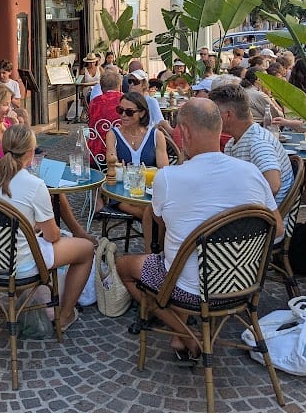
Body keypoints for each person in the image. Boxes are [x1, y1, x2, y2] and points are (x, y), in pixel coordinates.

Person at [116, 99, 281, 365]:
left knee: (125, 266)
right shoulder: (251, 172)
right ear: (219, 129)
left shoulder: (169, 177)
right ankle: (183, 333)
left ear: (186, 132)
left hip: (187, 289)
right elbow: (278, 227)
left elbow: (158, 220)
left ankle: (186, 333)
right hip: (243, 283)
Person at [0, 124, 94, 331]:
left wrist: (29, 227)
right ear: (31, 153)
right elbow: (52, 236)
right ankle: (64, 316)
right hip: (18, 265)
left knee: (33, 241)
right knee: (85, 249)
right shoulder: (34, 184)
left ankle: (38, 302)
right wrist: (37, 227)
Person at [0, 84, 96, 244]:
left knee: (55, 189)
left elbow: (27, 149)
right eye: (5, 104)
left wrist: (16, 126)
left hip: (14, 178)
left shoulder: (4, 126)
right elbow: (15, 154)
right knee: (47, 189)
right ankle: (56, 234)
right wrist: (17, 127)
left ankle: (69, 231)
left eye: (9, 104)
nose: (8, 109)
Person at [209, 83, 293, 209]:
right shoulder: (234, 142)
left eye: (214, 114)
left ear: (228, 115)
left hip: (262, 222)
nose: (211, 118)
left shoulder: (258, 142)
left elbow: (273, 186)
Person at [105, 90, 168, 221]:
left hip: (149, 193)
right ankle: (156, 241)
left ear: (142, 113)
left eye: (129, 112)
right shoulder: (113, 134)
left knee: (153, 212)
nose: (123, 115)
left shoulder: (156, 135)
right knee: (151, 215)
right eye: (120, 110)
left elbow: (164, 170)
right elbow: (112, 163)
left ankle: (155, 241)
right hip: (122, 194)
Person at [87, 70, 123, 162]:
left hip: (96, 153)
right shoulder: (126, 100)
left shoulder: (94, 102)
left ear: (102, 88)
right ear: (119, 86)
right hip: (120, 152)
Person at [125, 70, 173, 135]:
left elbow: (160, 123)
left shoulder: (151, 101)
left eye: (135, 82)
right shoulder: (125, 101)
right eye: (130, 81)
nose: (132, 84)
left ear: (144, 85)